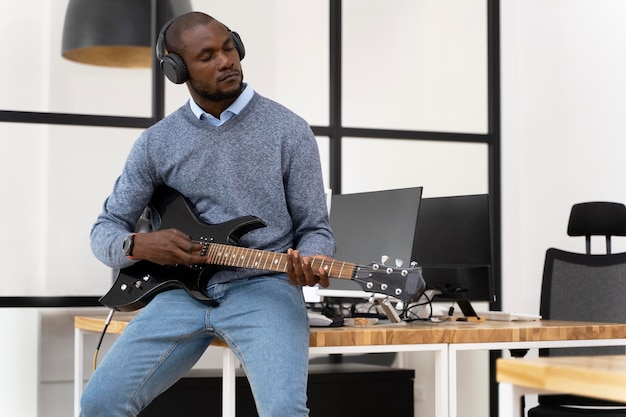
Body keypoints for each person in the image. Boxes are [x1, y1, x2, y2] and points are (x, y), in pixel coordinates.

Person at [80, 11, 336, 417]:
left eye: (229, 48)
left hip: (264, 289)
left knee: (284, 411)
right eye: (207, 56)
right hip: (178, 295)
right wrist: (138, 245)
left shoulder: (289, 130)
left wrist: (312, 258)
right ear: (177, 69)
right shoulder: (156, 143)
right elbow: (104, 229)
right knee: (98, 403)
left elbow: (314, 228)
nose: (226, 61)